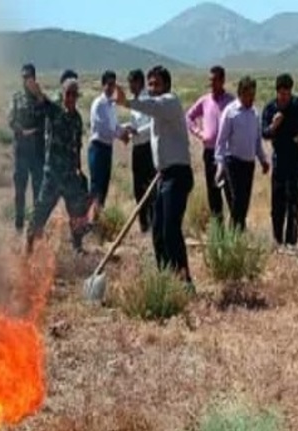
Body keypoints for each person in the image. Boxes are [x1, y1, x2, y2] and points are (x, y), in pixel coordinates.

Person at [114, 66, 195, 291]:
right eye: (149, 84)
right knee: (158, 230)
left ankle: (185, 282)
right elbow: (150, 128)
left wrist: (127, 102)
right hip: (164, 175)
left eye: (156, 84)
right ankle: (166, 280)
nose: (152, 89)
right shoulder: (159, 113)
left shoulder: (169, 102)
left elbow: (153, 106)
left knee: (170, 229)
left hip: (177, 175)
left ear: (167, 85)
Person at [24, 78, 89, 256]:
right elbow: (42, 99)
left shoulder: (77, 119)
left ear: (77, 97)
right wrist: (35, 88)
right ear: (63, 94)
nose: (71, 98)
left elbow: (77, 145)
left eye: (74, 94)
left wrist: (79, 169)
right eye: (68, 94)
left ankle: (77, 247)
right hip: (52, 175)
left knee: (77, 212)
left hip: (69, 176)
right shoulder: (55, 111)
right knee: (40, 212)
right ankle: (29, 246)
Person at [261, 73, 298, 247]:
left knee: (294, 202)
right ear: (277, 92)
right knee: (278, 203)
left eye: (288, 93)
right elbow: (264, 133)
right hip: (280, 161)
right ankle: (278, 240)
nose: (285, 96)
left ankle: (291, 242)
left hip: (297, 160)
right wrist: (273, 126)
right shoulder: (270, 108)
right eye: (282, 93)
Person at [214, 76, 270, 232]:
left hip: (249, 163)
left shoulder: (254, 113)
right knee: (237, 201)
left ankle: (238, 234)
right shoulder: (230, 112)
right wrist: (220, 164)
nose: (251, 98)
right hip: (233, 162)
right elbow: (221, 141)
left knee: (244, 203)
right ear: (240, 93)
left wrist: (263, 160)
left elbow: (257, 140)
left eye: (253, 95)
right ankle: (235, 235)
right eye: (248, 95)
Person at [185, 66, 235, 222]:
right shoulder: (205, 101)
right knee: (213, 192)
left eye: (214, 80)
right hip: (209, 153)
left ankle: (236, 229)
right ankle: (218, 229)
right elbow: (188, 117)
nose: (211, 84)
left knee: (231, 192)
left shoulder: (231, 101)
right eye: (210, 81)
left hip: (228, 154)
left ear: (222, 80)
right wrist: (199, 133)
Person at [7, 63, 47, 233]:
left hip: (37, 151)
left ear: (34, 78)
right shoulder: (16, 98)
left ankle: (37, 226)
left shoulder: (41, 98)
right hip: (22, 151)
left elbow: (49, 114)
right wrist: (21, 130)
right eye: (24, 77)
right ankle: (19, 226)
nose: (26, 81)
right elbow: (10, 119)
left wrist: (39, 97)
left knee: (38, 191)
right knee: (20, 191)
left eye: (29, 77)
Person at [87, 70, 129, 217]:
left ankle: (97, 219)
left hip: (107, 148)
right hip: (98, 148)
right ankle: (89, 220)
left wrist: (126, 130)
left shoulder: (111, 105)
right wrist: (121, 135)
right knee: (96, 186)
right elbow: (104, 129)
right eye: (109, 84)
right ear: (103, 85)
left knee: (104, 185)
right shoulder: (99, 104)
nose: (112, 88)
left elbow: (115, 126)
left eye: (113, 84)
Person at [121, 68, 156, 234]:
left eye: (131, 83)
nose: (129, 86)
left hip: (148, 148)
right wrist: (127, 131)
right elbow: (135, 125)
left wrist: (137, 132)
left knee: (149, 186)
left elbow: (153, 125)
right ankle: (144, 224)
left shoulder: (147, 100)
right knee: (138, 188)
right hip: (137, 149)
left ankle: (152, 221)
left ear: (139, 83)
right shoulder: (135, 102)